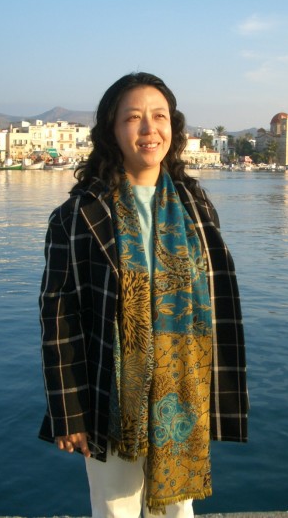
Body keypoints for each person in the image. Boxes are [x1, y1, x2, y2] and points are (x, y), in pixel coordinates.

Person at [39, 72, 248, 518]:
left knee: (178, 509)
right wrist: (69, 413)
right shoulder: (79, 215)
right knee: (116, 508)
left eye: (160, 116)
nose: (149, 129)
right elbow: (59, 318)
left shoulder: (195, 206)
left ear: (174, 127)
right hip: (110, 393)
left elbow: (215, 302)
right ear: (111, 131)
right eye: (133, 118)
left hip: (181, 391)